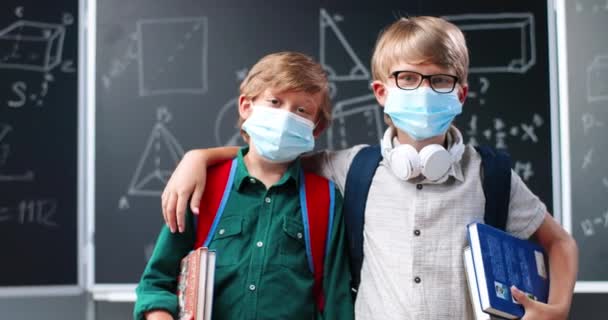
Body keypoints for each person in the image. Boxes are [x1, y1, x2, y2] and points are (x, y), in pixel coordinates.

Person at [161, 17, 578, 320]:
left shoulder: (492, 176)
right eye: (408, 79)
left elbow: (560, 243)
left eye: (440, 80)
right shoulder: (352, 168)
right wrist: (198, 157)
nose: (424, 90)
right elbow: (268, 153)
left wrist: (556, 309)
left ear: (461, 92)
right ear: (381, 91)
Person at [134, 51, 354, 320]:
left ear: (316, 128)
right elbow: (156, 282)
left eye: (302, 110)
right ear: (246, 106)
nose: (285, 117)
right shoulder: (202, 185)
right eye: (274, 101)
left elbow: (337, 301)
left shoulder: (325, 199)